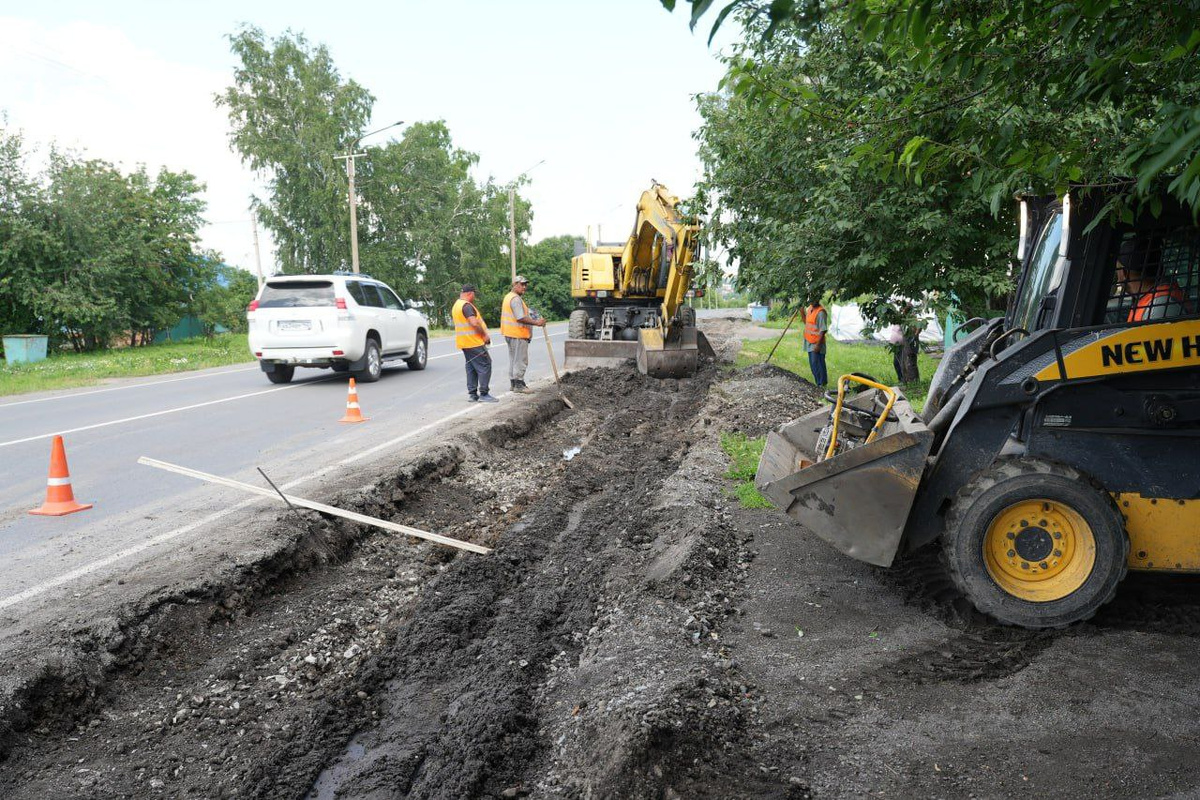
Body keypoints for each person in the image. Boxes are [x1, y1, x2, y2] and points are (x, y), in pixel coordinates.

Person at [1114, 238, 1190, 322]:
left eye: (1117, 271)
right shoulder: (1154, 298)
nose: (1118, 280)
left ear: (1124, 273)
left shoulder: (1159, 305)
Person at [452, 284, 498, 403]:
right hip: (474, 342)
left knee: (471, 367)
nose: (475, 297)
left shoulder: (457, 305)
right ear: (470, 293)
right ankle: (484, 393)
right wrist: (484, 335)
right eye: (474, 294)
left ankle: (472, 394)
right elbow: (474, 323)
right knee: (485, 365)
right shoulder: (466, 306)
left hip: (464, 343)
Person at [500, 275, 546, 393]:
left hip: (510, 333)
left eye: (525, 284)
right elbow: (520, 317)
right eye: (522, 284)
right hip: (518, 334)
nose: (524, 287)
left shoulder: (508, 297)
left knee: (514, 360)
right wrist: (537, 322)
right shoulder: (515, 299)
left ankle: (514, 383)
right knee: (520, 360)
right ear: (515, 285)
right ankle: (519, 385)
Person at [803, 299, 829, 389]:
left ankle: (822, 384)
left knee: (818, 364)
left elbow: (823, 330)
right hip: (809, 341)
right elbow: (806, 322)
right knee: (813, 365)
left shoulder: (820, 312)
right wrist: (801, 311)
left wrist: (818, 345)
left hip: (817, 343)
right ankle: (818, 384)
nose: (812, 301)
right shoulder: (810, 309)